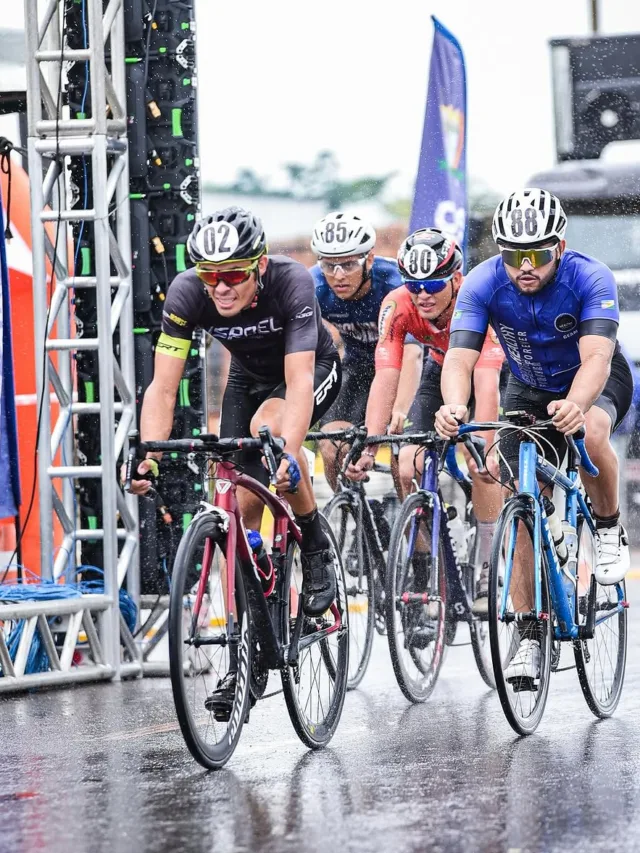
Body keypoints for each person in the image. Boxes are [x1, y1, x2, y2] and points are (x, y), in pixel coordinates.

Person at [126, 206, 342, 717]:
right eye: (210, 276)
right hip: (246, 378)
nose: (220, 288)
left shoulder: (289, 283)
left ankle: (313, 545)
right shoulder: (186, 293)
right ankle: (250, 658)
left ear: (259, 266)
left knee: (270, 435)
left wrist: (290, 454)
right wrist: (147, 455)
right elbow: (162, 385)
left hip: (306, 373)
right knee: (240, 505)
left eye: (232, 275)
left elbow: (300, 383)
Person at [436, 187, 634, 681]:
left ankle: (608, 528)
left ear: (559, 248)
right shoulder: (482, 283)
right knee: (521, 503)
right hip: (527, 384)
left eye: (537, 254)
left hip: (594, 378)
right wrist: (454, 404)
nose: (525, 266)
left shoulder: (590, 276)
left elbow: (596, 359)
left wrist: (577, 402)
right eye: (512, 255)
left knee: (589, 432)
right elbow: (459, 358)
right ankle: (528, 631)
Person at [347, 228, 503, 612]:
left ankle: (486, 564)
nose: (423, 295)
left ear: (455, 278)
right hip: (440, 371)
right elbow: (387, 376)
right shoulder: (398, 305)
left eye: (433, 285)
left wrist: (483, 445)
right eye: (414, 285)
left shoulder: (476, 300)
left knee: (483, 467)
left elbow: (485, 384)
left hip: (491, 372)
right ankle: (424, 564)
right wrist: (370, 443)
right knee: (406, 464)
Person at [310, 211, 421, 490]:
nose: (338, 276)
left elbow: (412, 354)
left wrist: (399, 408)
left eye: (348, 264)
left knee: (401, 454)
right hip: (360, 366)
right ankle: (351, 516)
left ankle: (409, 523)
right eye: (329, 265)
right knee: (330, 445)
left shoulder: (395, 284)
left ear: (369, 259)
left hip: (404, 366)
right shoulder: (315, 286)